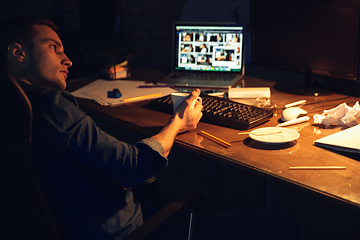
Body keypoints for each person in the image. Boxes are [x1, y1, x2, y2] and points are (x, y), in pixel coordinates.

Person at [0, 17, 203, 239]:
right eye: (53, 48)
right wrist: (178, 123)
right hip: (119, 230)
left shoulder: (13, 105)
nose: (68, 61)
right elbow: (135, 168)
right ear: (18, 53)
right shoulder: (51, 106)